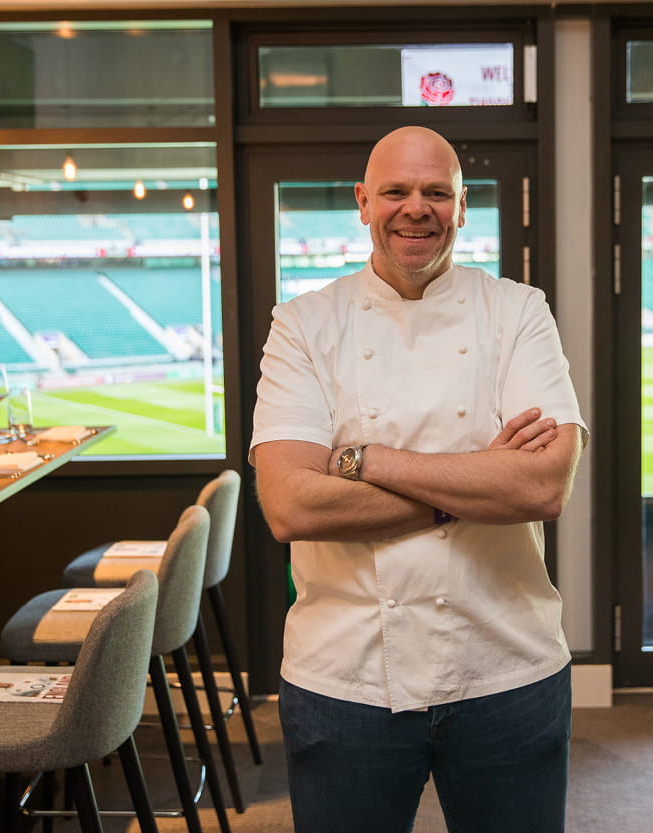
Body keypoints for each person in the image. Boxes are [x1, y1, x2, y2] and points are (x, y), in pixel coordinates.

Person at [250, 125, 588, 833]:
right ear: (362, 202)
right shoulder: (304, 325)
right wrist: (473, 483)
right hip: (343, 675)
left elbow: (542, 488)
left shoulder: (519, 312)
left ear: (462, 207)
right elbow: (288, 503)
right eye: (396, 191)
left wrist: (363, 458)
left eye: (437, 191)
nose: (416, 208)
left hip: (508, 665)